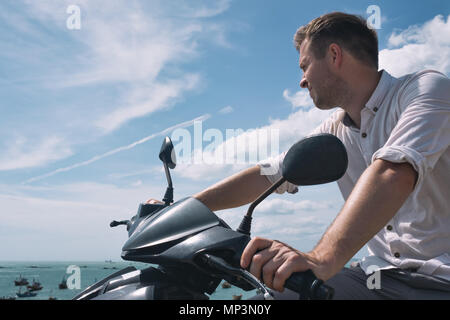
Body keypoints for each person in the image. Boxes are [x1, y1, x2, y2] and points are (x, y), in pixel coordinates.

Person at [148, 12, 450, 299]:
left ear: (334, 55)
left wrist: (321, 257)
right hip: (378, 278)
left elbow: (391, 173)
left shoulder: (426, 90)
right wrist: (180, 211)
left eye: (305, 66)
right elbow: (270, 174)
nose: (302, 80)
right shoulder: (334, 131)